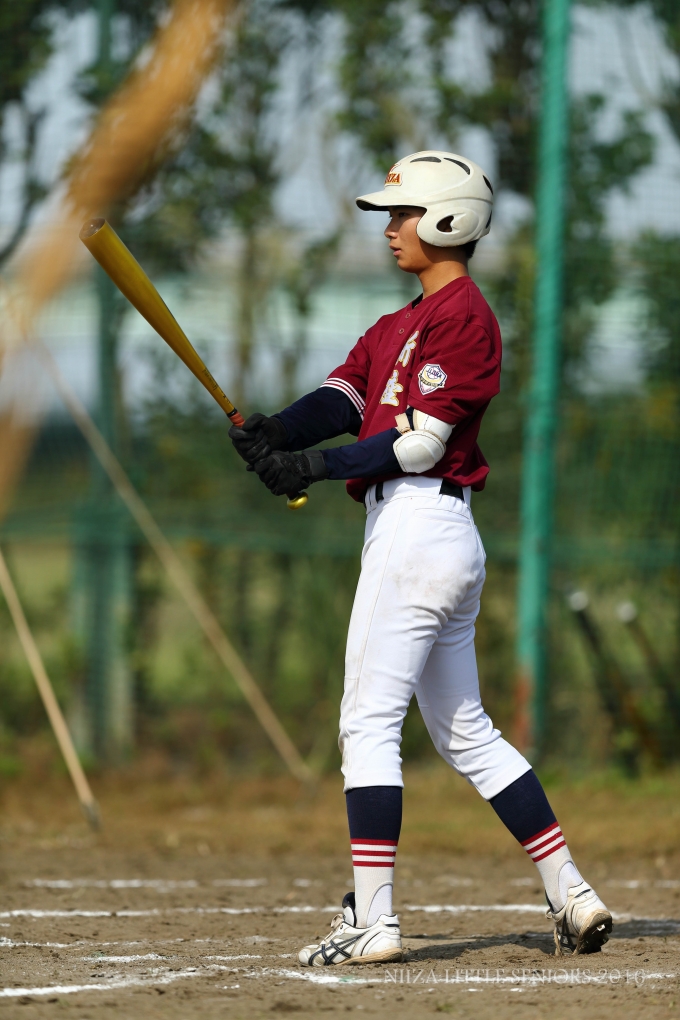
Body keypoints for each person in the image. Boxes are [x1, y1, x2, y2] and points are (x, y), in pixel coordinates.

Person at [229, 151, 612, 966]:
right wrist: (277, 432)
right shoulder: (398, 324)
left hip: (417, 527)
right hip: (428, 537)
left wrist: (313, 468)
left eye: (402, 214)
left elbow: (420, 444)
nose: (391, 227)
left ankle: (374, 920)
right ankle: (572, 893)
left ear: (449, 220)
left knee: (367, 723)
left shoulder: (464, 316)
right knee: (465, 730)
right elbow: (345, 398)